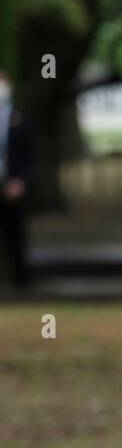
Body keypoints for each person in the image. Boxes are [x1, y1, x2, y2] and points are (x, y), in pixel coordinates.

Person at [0, 69, 35, 289]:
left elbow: (30, 155)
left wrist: (20, 181)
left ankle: (21, 282)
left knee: (15, 235)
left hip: (11, 185)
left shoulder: (19, 119)